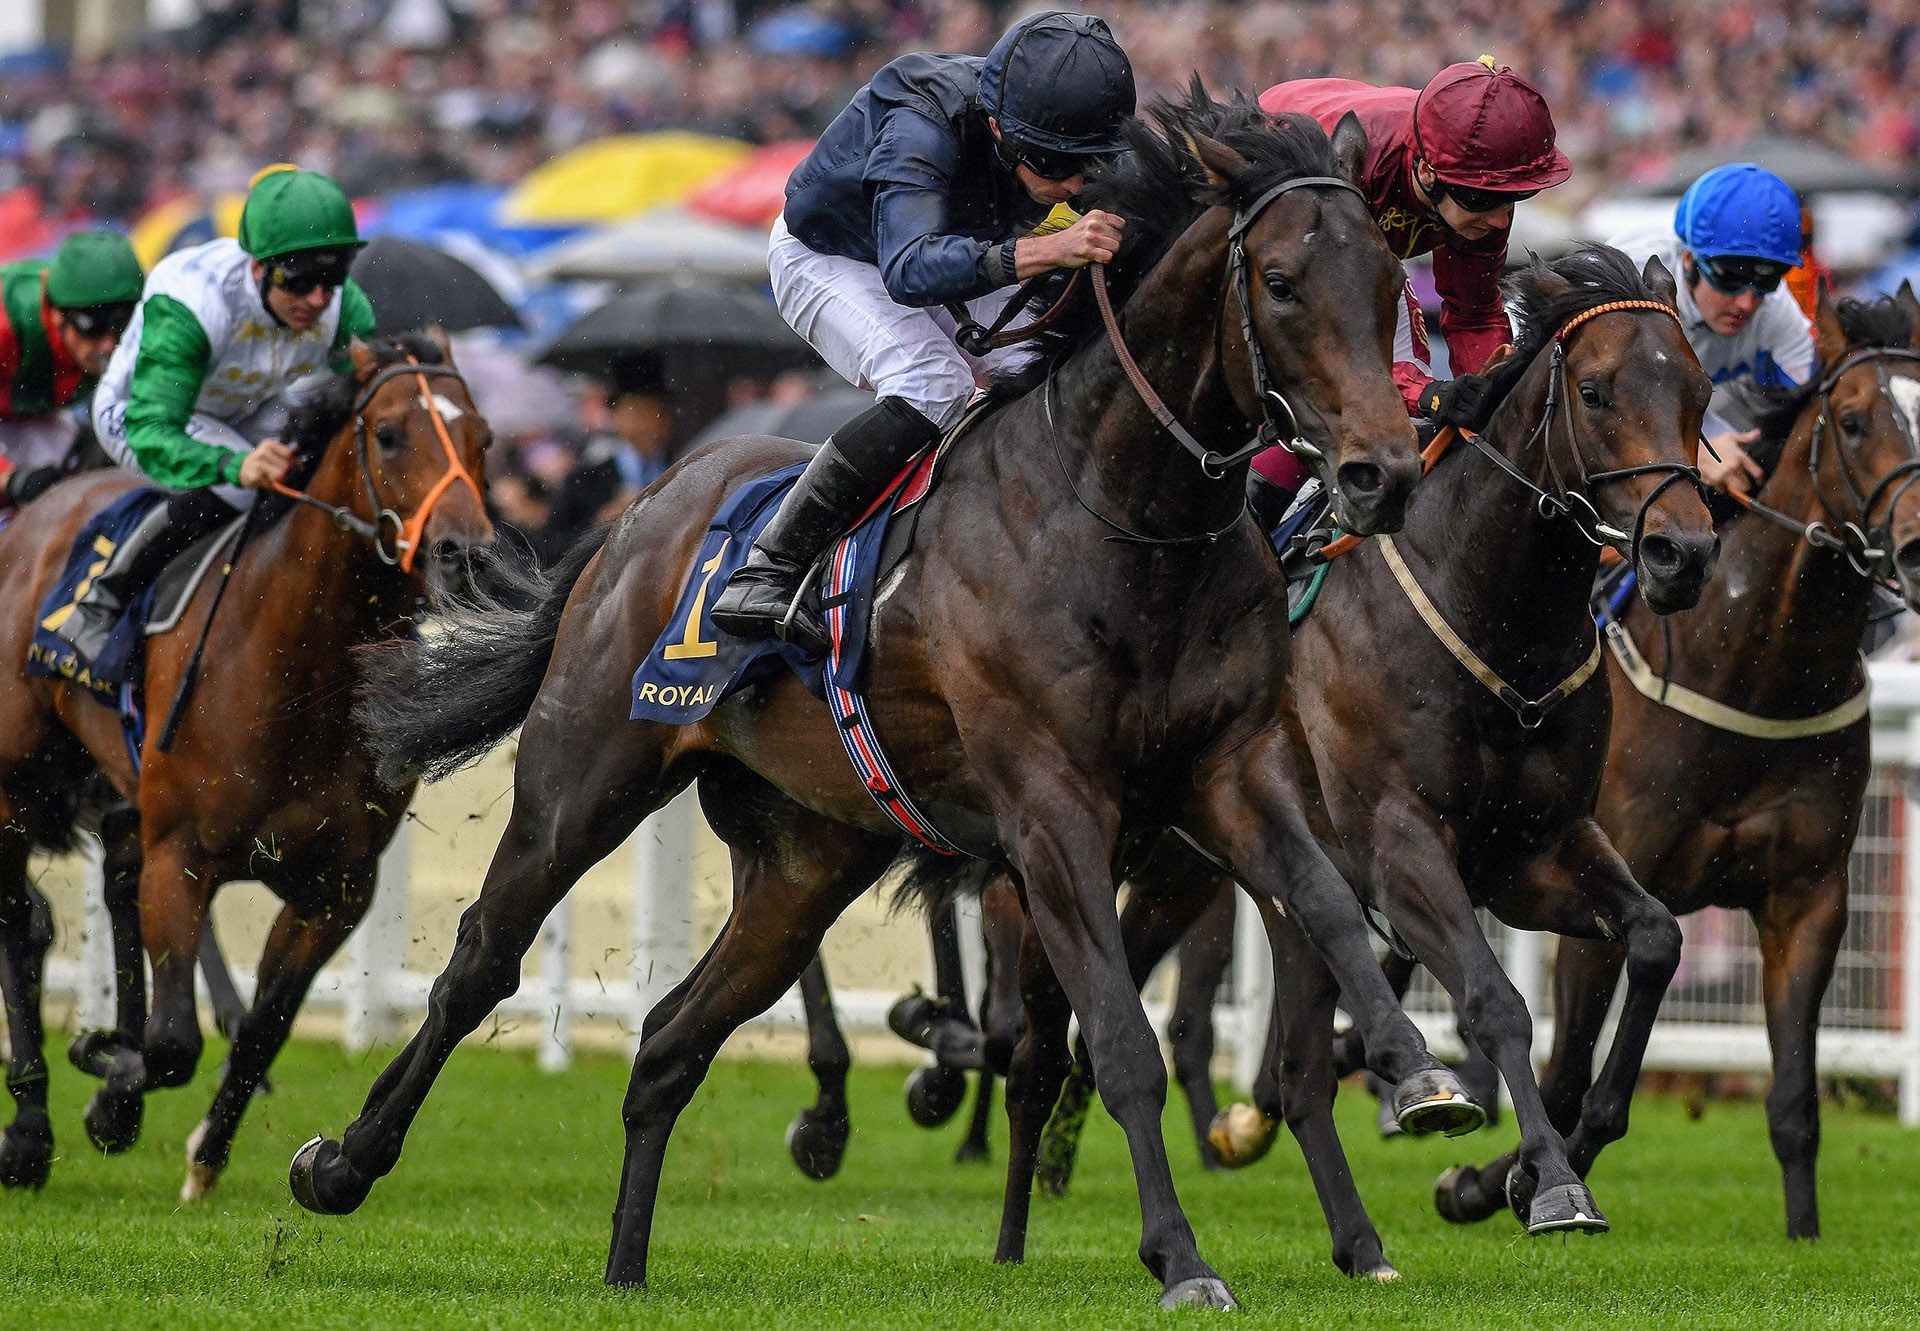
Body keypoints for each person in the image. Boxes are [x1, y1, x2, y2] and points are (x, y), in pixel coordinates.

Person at [709, 10, 1136, 652]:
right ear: (997, 128)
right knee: (935, 381)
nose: (1074, 184)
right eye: (1055, 164)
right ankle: (770, 565)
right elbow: (908, 269)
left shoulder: (1059, 129)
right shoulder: (922, 115)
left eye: (1088, 163)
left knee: (1050, 369)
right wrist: (1050, 250)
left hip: (958, 246)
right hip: (836, 257)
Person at [52, 165, 376, 659]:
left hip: (247, 402)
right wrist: (233, 465)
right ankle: (102, 600)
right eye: (301, 278)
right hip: (147, 414)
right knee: (238, 487)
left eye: (331, 277)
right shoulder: (194, 303)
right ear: (258, 267)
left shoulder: (342, 307)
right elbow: (152, 428)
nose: (317, 298)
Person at [1251, 58, 1572, 515]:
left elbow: (1475, 315)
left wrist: (1490, 400)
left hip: (1355, 248)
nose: (1501, 220)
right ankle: (1255, 503)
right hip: (1288, 202)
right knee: (1331, 387)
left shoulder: (1477, 182)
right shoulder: (1355, 173)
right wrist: (1428, 394)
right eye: (1484, 201)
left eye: (1517, 198)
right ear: (1425, 171)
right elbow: (1334, 337)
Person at [1610, 164, 1813, 497]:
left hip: (1703, 416)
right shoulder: (1631, 270)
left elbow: (1811, 420)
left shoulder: (1778, 313)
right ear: (1688, 259)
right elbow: (1586, 404)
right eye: (1730, 278)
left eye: (1766, 280)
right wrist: (1691, 449)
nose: (1747, 303)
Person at [0, 229, 144, 509]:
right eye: (94, 327)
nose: (107, 345)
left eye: (120, 325)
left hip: (30, 414)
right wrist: (10, 480)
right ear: (56, 313)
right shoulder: (7, 326)